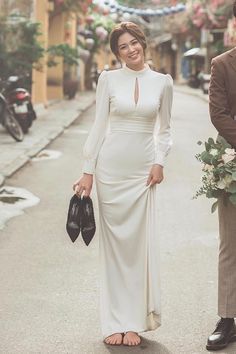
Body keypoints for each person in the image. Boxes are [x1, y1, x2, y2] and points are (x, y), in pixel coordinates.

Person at [73, 21, 173, 346]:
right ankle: (114, 321)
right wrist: (88, 169)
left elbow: (166, 130)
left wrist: (160, 161)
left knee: (137, 248)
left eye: (133, 43)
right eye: (122, 47)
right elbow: (99, 126)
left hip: (143, 173)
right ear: (117, 53)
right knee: (114, 250)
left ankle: (134, 321)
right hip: (110, 172)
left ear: (143, 42)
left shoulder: (162, 82)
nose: (130, 50)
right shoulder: (108, 80)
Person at [207, 2, 236, 351]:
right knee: (231, 242)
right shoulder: (222, 64)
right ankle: (227, 319)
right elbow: (219, 114)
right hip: (232, 158)